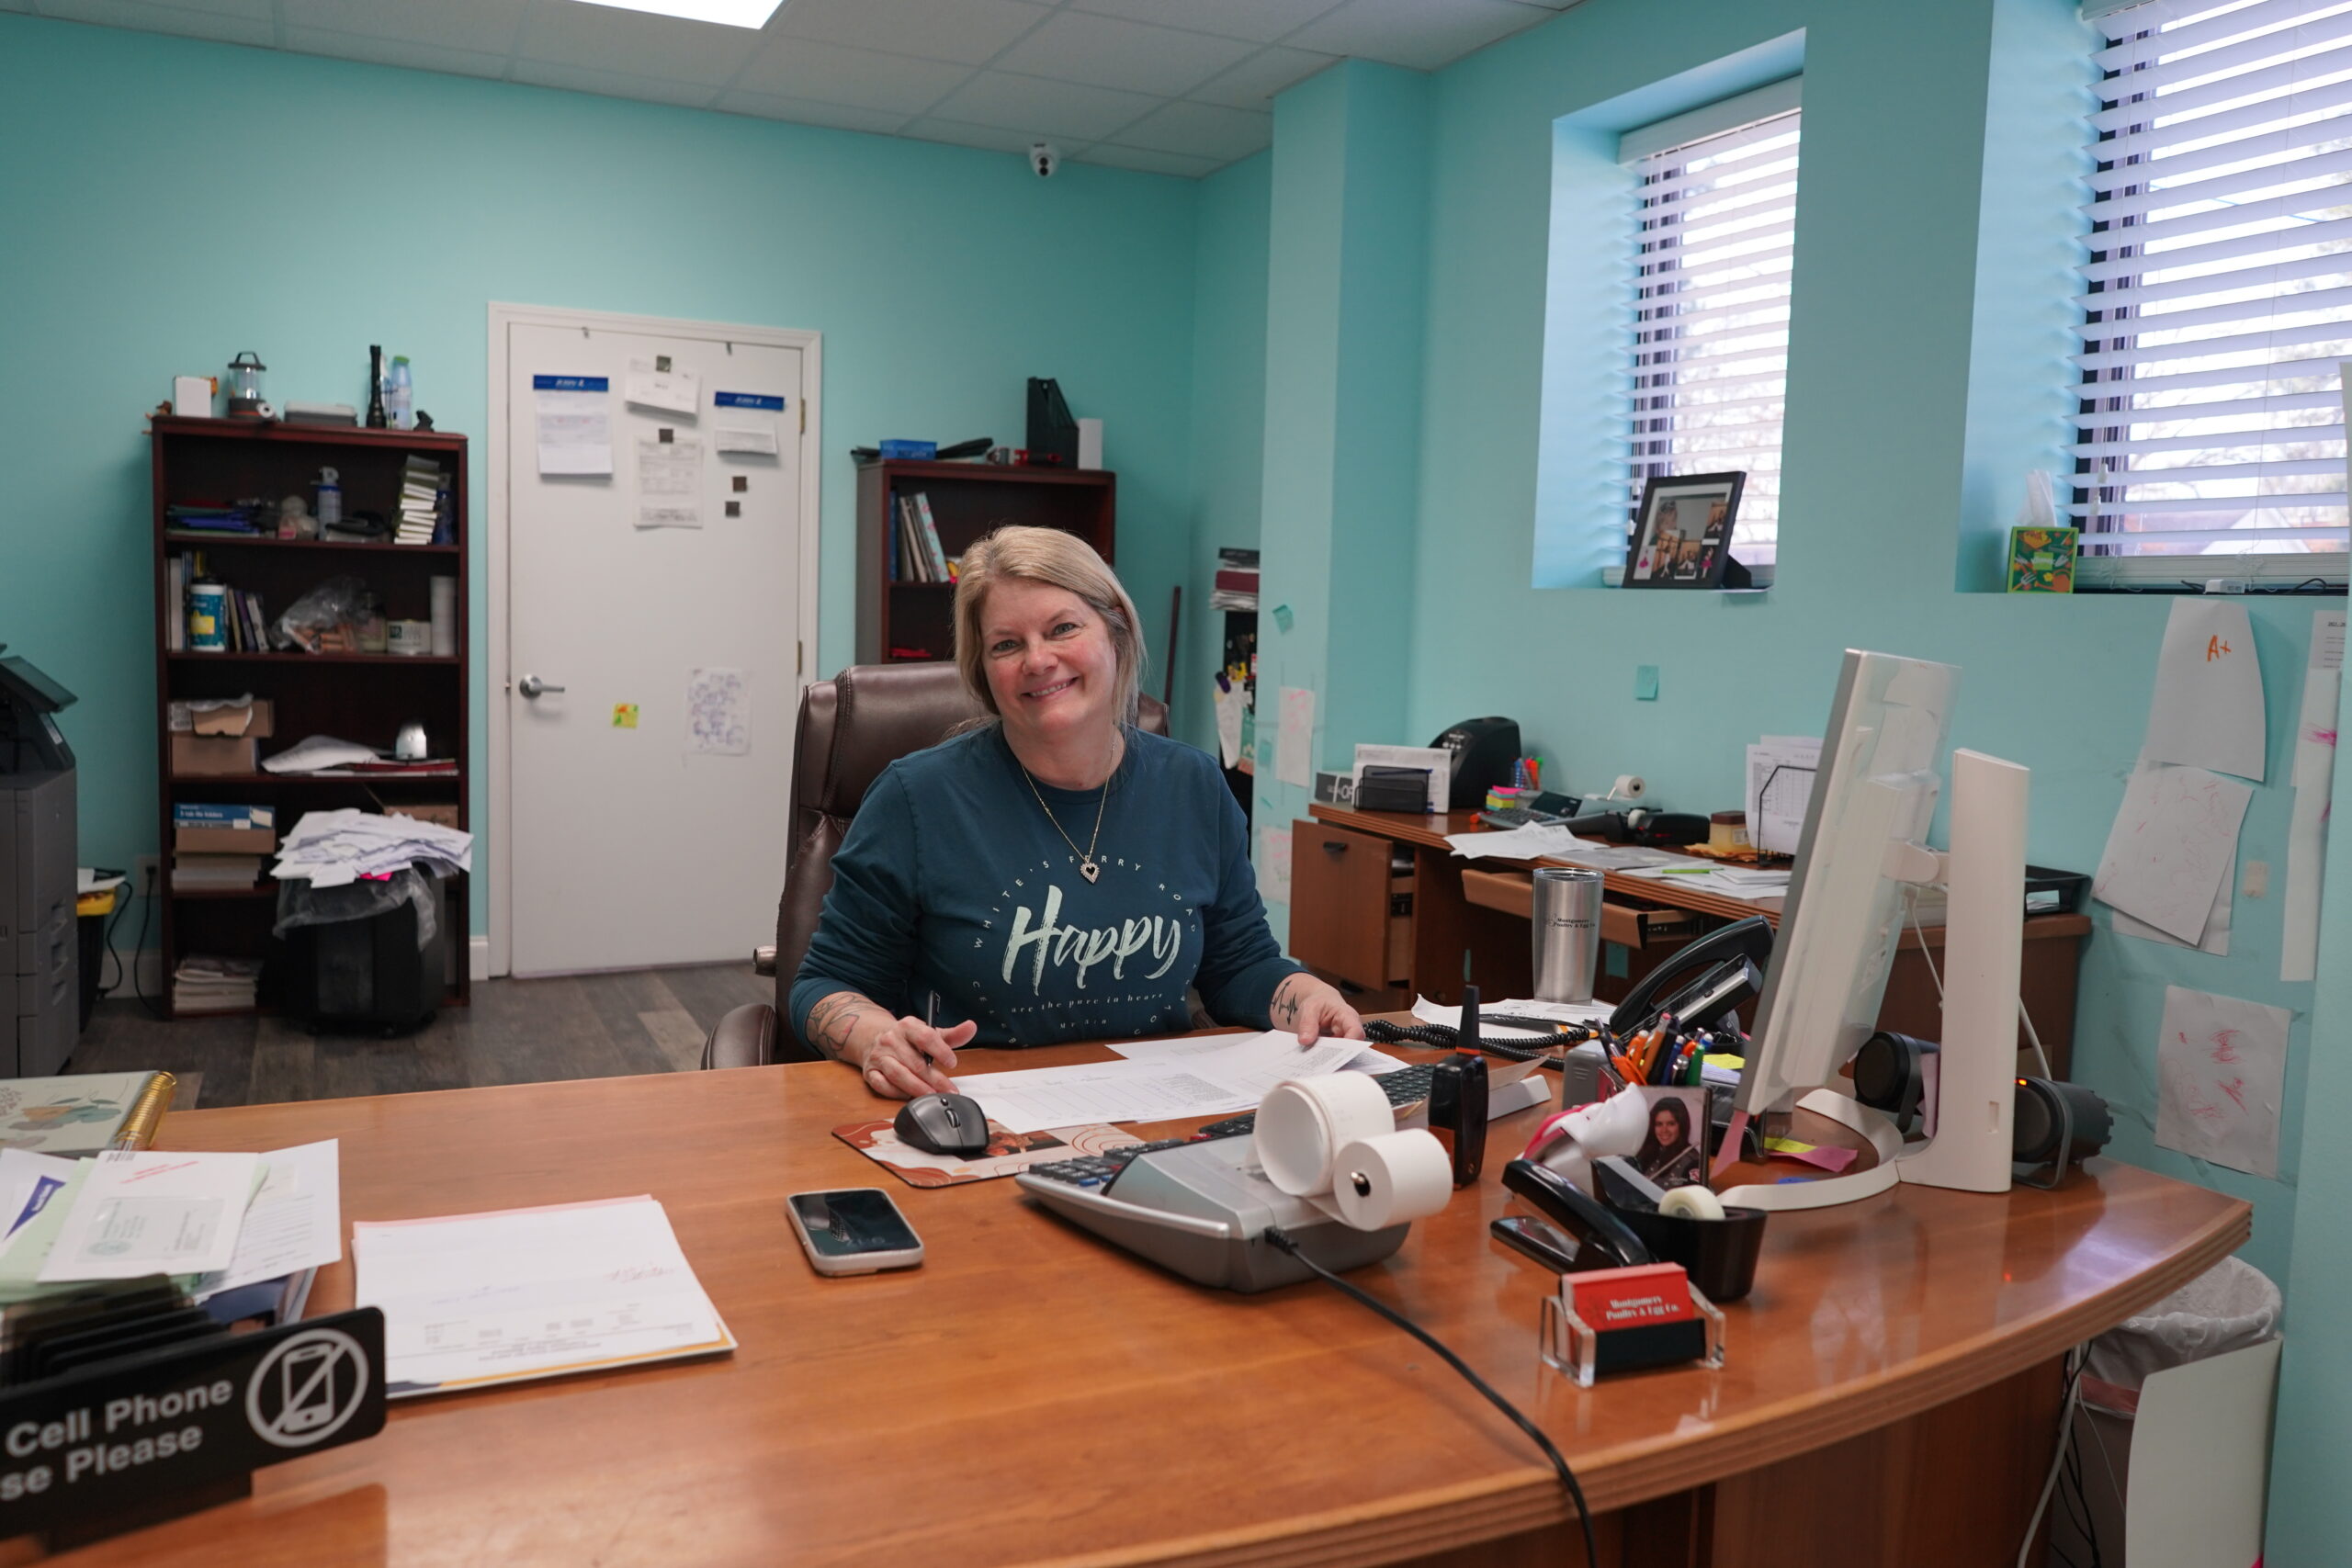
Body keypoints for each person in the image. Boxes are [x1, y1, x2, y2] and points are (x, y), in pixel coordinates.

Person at [791, 525, 1364, 1099]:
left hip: (1161, 1106)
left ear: (1115, 632)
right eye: (1006, 644)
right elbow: (824, 984)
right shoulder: (916, 800)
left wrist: (1307, 995)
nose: (1039, 660)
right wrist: (876, 1038)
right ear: (985, 671)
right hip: (976, 1111)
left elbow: (1237, 964)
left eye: (1063, 628)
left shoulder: (1193, 786)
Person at [1633, 1094, 1704, 1188]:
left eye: (1671, 1124)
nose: (1664, 1130)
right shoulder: (1645, 1151)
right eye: (1659, 1124)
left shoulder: (1693, 1161)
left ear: (1681, 1125)